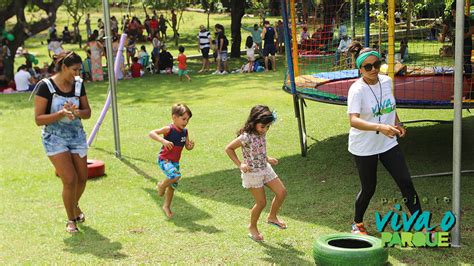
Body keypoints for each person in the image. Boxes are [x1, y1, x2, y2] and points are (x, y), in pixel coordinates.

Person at [347, 48, 422, 235]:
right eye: (368, 66)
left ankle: (421, 227)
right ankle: (357, 223)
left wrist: (398, 123)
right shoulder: (356, 90)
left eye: (377, 64)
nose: (373, 69)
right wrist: (380, 127)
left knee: (406, 182)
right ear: (360, 69)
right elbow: (353, 120)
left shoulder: (387, 81)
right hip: (364, 146)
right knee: (369, 188)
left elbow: (389, 107)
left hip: (388, 142)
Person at [34, 51, 92, 233]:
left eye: (79, 70)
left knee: (82, 178)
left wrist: (77, 113)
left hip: (76, 135)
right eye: (74, 70)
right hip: (54, 138)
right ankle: (71, 219)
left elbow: (87, 112)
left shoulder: (79, 85)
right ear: (64, 67)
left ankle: (74, 204)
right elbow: (38, 119)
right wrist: (60, 114)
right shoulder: (45, 86)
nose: (77, 74)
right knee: (70, 179)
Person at [225, 105, 287, 241]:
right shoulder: (245, 137)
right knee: (261, 202)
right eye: (263, 126)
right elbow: (228, 148)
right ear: (254, 122)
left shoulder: (262, 132)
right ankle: (252, 227)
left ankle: (272, 216)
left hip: (265, 168)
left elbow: (258, 149)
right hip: (253, 174)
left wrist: (267, 158)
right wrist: (240, 164)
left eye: (267, 127)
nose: (265, 130)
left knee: (282, 192)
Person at [149, 104, 195, 218]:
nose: (185, 122)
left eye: (187, 120)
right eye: (183, 119)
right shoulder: (169, 129)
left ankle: (166, 206)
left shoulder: (185, 132)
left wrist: (190, 146)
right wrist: (163, 141)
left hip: (175, 162)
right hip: (164, 159)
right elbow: (151, 133)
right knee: (175, 176)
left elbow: (186, 146)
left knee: (172, 186)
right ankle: (161, 186)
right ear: (174, 117)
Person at [440, 1, 474, 84]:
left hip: (466, 43)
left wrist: (464, 35)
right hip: (456, 43)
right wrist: (443, 36)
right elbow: (445, 28)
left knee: (466, 60)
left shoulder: (467, 19)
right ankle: (459, 81)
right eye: (452, 12)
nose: (453, 14)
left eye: (454, 12)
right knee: (457, 61)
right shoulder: (450, 19)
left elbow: (472, 30)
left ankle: (469, 80)